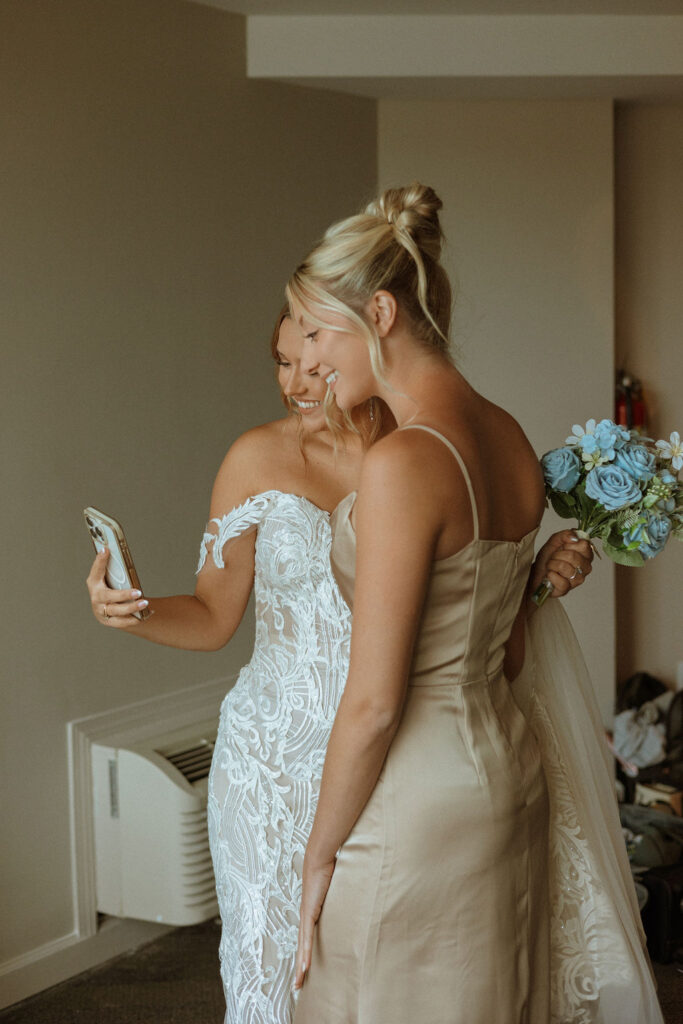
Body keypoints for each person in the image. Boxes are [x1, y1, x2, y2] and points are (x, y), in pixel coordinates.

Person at [86, 308, 595, 1024]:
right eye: (281, 361)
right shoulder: (254, 457)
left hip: (386, 761)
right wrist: (130, 611)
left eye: (315, 363)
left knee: (379, 979)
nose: (296, 383)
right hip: (271, 765)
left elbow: (474, 638)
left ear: (365, 348)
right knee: (267, 971)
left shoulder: (428, 455)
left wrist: (533, 583)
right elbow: (212, 618)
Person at [288, 184, 663, 1024]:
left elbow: (377, 705)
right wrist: (539, 585)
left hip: (410, 799)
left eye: (317, 331)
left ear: (379, 312)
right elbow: (506, 654)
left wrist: (314, 857)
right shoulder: (507, 440)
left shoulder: (404, 464)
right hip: (503, 772)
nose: (309, 359)